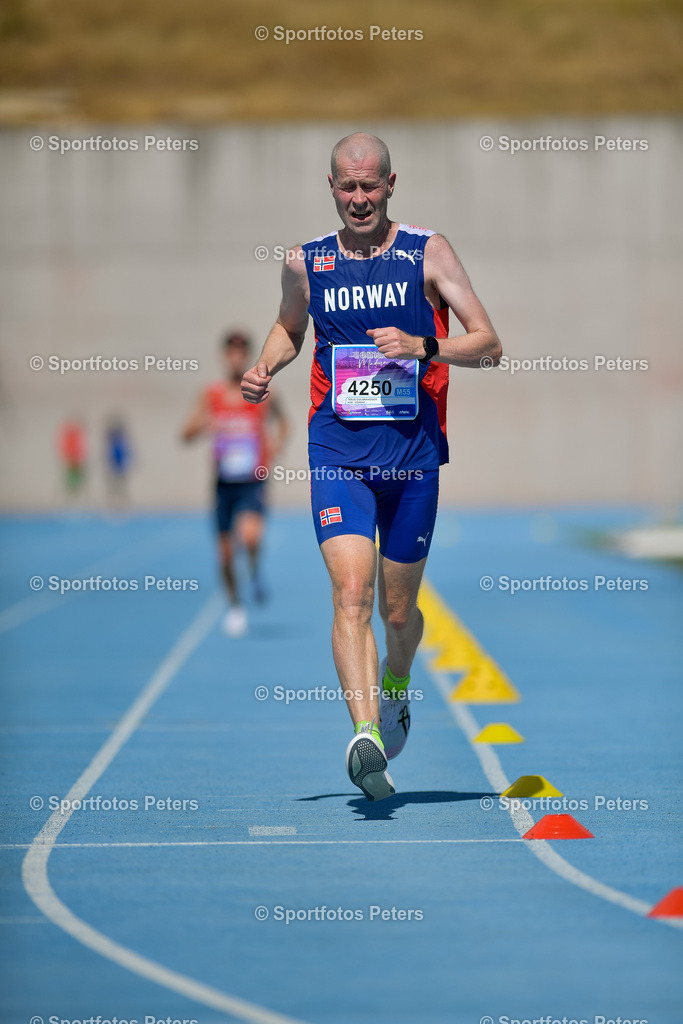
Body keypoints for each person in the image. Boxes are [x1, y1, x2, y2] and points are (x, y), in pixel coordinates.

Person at [242, 133, 501, 799]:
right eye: (346, 186)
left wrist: (426, 345)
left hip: (412, 457)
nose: (359, 198)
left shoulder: (427, 251)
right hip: (337, 451)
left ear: (391, 184)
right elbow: (288, 327)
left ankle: (395, 683)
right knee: (350, 594)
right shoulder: (305, 263)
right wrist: (266, 364)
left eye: (370, 185)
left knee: (395, 609)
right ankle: (365, 733)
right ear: (329, 187)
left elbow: (489, 344)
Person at [183, 331, 289, 636]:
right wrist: (206, 423)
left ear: (249, 356)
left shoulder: (265, 392)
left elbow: (284, 422)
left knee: (252, 537)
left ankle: (254, 571)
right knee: (226, 553)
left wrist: (277, 444)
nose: (236, 358)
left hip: (253, 480)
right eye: (231, 352)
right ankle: (235, 605)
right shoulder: (211, 395)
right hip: (223, 482)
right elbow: (185, 434)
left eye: (242, 352)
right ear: (223, 356)